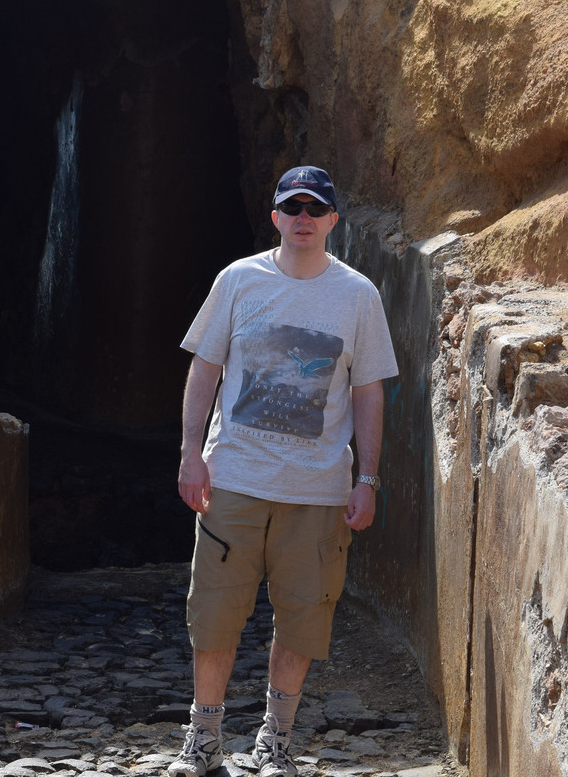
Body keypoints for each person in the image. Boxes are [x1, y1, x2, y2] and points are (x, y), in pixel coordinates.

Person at [168, 166, 398, 777]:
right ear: (275, 216)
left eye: (314, 208)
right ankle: (206, 739)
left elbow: (369, 391)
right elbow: (204, 369)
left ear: (331, 221)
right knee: (214, 613)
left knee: (303, 616)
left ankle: (275, 740)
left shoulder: (358, 296)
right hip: (234, 481)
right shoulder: (239, 280)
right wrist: (191, 454)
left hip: (319, 491)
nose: (302, 217)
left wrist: (367, 479)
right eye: (291, 207)